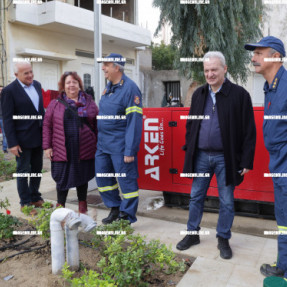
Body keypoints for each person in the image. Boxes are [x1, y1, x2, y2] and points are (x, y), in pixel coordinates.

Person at [176, 51, 256, 259]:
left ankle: (223, 238)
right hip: (201, 156)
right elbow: (191, 124)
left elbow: (249, 130)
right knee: (195, 197)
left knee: (227, 200)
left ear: (224, 69)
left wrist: (246, 160)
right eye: (206, 70)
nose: (210, 74)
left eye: (214, 69)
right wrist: (190, 146)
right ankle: (192, 234)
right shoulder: (199, 94)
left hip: (226, 158)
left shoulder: (239, 95)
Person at [245, 36, 287, 279]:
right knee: (283, 217)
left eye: (259, 53)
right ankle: (283, 264)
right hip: (278, 163)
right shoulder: (270, 86)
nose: (254, 58)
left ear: (276, 57)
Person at [95, 53, 143, 224]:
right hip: (103, 145)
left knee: (127, 182)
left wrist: (130, 150)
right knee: (103, 179)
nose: (103, 68)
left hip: (120, 146)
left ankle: (127, 216)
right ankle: (114, 209)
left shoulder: (130, 89)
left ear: (117, 67)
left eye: (106, 65)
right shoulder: (108, 87)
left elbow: (134, 122)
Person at [43, 72, 98, 214]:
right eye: (68, 82)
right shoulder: (55, 104)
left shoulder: (89, 102)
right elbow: (47, 126)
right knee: (62, 177)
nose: (71, 85)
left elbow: (97, 124)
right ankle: (60, 206)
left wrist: (98, 145)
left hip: (84, 147)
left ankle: (82, 205)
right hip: (62, 147)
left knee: (82, 176)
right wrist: (47, 146)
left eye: (74, 82)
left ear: (79, 85)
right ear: (63, 86)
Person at [1, 61, 45, 215]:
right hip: (21, 141)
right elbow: (7, 119)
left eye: (31, 71)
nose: (30, 75)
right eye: (26, 73)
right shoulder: (9, 91)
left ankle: (34, 196)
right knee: (23, 171)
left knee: (37, 170)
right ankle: (25, 203)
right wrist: (12, 143)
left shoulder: (37, 85)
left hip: (38, 138)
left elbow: (41, 112)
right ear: (16, 75)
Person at [0, 85, 8, 153]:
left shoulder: (6, 98)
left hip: (3, 118)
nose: (1, 91)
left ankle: (4, 148)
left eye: (2, 90)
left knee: (5, 133)